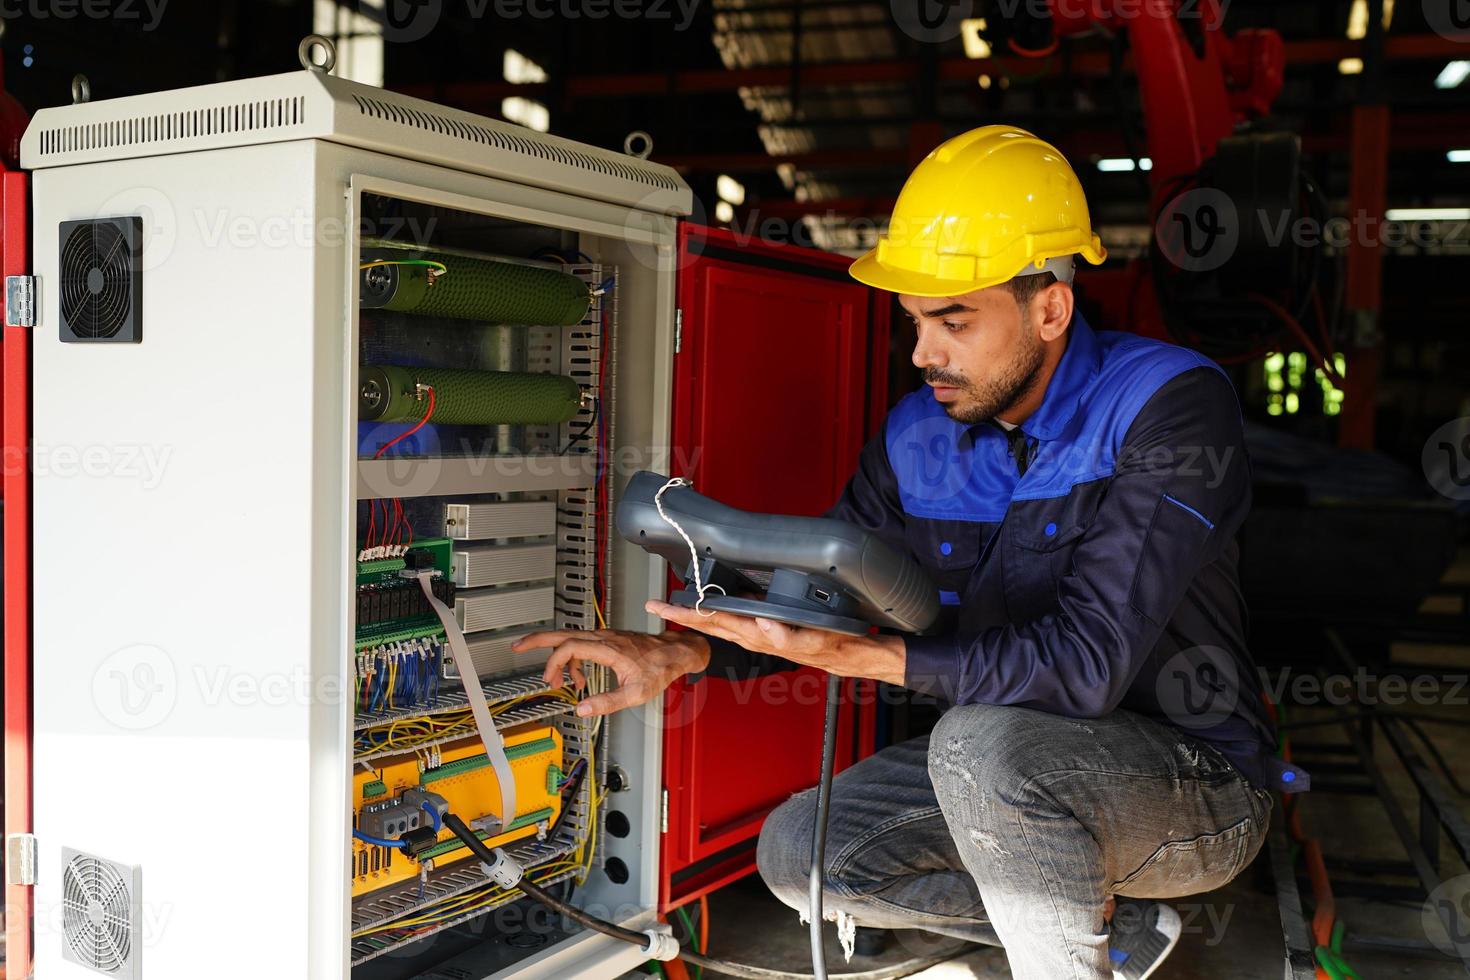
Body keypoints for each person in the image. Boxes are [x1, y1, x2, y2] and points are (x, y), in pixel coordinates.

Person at [513, 125, 1302, 980]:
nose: (924, 353)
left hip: (1194, 782)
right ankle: (1116, 933)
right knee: (801, 854)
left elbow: (1085, 667)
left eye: (954, 321)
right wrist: (681, 651)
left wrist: (869, 658)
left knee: (973, 744)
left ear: (1049, 308)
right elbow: (826, 596)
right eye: (917, 320)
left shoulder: (1167, 407)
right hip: (1007, 771)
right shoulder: (918, 433)